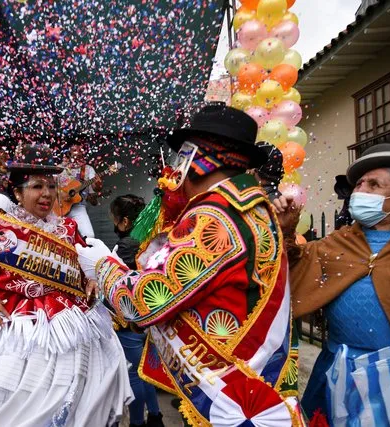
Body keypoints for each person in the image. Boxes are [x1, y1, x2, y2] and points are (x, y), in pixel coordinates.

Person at [77, 104, 303, 425]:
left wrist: (101, 264)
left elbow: (144, 301)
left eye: (180, 155)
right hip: (247, 380)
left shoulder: (214, 216)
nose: (172, 168)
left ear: (194, 159)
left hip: (228, 400)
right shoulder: (252, 208)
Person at [0, 144, 132, 427]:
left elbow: (83, 268)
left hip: (65, 327)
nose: (46, 194)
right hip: (13, 329)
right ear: (17, 193)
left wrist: (91, 279)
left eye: (51, 186)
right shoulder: (0, 228)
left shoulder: (67, 229)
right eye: (37, 186)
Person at [274, 143, 390, 424]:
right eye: (359, 184)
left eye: (374, 184)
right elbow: (287, 272)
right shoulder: (337, 243)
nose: (359, 191)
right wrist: (285, 229)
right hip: (335, 368)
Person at [110, 194, 165, 427]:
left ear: (123, 221)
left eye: (113, 219)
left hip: (129, 318)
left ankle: (136, 422)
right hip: (149, 315)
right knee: (146, 371)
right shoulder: (151, 239)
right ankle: (155, 416)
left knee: (133, 373)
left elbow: (118, 281)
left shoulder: (126, 245)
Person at [58, 142, 103, 238]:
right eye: (74, 150)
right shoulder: (60, 168)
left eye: (79, 151)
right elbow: (50, 188)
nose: (77, 153)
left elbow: (94, 195)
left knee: (89, 236)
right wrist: (61, 194)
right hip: (58, 207)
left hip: (78, 207)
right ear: (69, 153)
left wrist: (98, 186)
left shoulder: (88, 169)